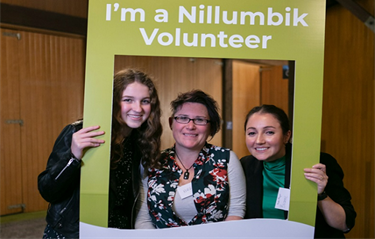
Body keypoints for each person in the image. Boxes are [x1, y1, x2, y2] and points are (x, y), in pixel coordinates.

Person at [38, 68, 162, 239]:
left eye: (145, 101)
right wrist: (73, 158)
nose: (138, 108)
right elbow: (48, 191)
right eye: (128, 100)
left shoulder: (143, 141)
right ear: (112, 100)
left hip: (117, 231)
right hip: (73, 233)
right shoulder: (80, 132)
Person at [240, 104, 356, 239]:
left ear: (286, 136)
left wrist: (320, 194)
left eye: (269, 132)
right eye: (252, 133)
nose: (259, 140)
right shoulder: (245, 166)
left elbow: (344, 224)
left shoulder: (316, 163)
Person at [135, 90, 246, 229]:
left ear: (211, 127)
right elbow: (144, 219)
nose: (190, 126)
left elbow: (236, 212)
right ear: (171, 123)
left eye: (199, 120)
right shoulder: (153, 162)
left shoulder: (226, 159)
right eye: (182, 118)